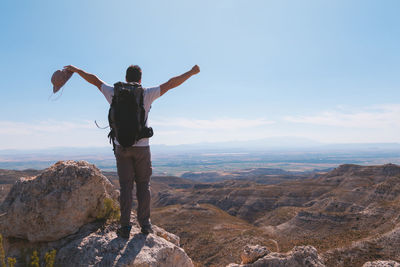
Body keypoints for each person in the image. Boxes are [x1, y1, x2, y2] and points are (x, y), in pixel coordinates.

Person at [64, 64, 200, 237]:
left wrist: (76, 70)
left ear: (126, 77)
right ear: (140, 79)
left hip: (122, 148)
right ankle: (145, 224)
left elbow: (95, 80)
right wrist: (191, 72)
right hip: (142, 148)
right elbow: (171, 83)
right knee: (143, 185)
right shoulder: (146, 93)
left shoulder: (114, 92)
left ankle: (125, 226)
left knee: (126, 187)